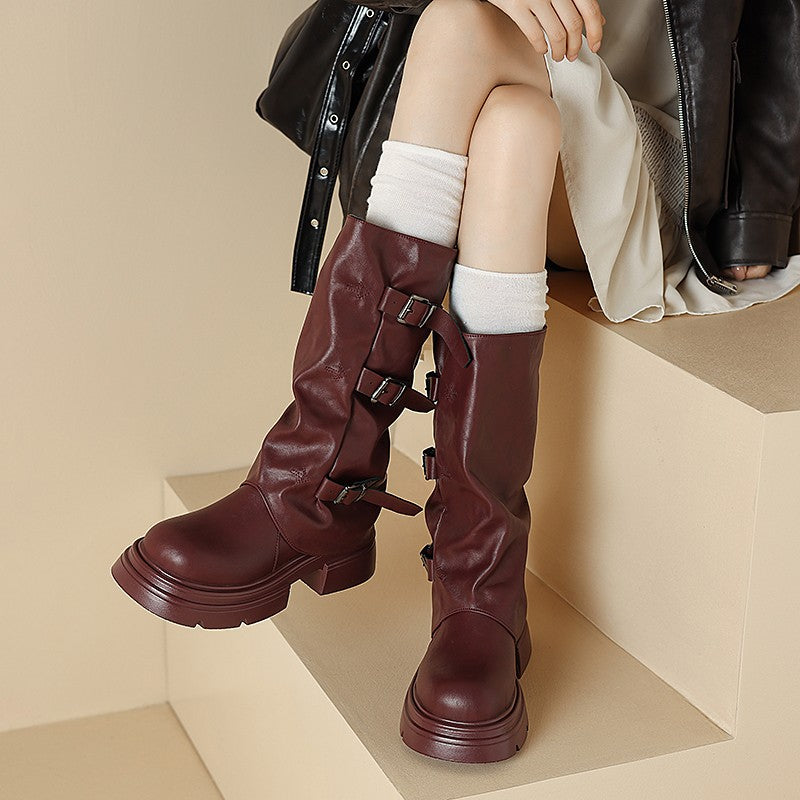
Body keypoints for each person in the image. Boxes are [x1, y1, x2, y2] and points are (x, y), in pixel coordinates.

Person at [111, 0, 800, 766]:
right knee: (513, 125)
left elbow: (779, 26)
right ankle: (480, 591)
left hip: (665, 164)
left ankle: (314, 486)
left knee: (456, 26)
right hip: (535, 121)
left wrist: (759, 216)